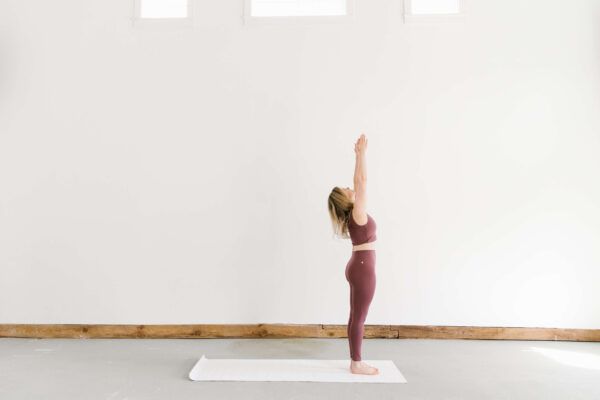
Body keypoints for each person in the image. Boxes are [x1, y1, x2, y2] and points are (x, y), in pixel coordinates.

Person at [327, 133, 379, 375]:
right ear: (345, 199)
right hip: (362, 268)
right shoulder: (357, 213)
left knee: (355, 315)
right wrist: (360, 155)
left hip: (357, 266)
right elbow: (362, 180)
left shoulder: (353, 217)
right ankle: (356, 363)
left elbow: (359, 183)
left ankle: (354, 360)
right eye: (346, 189)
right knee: (359, 316)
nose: (351, 188)